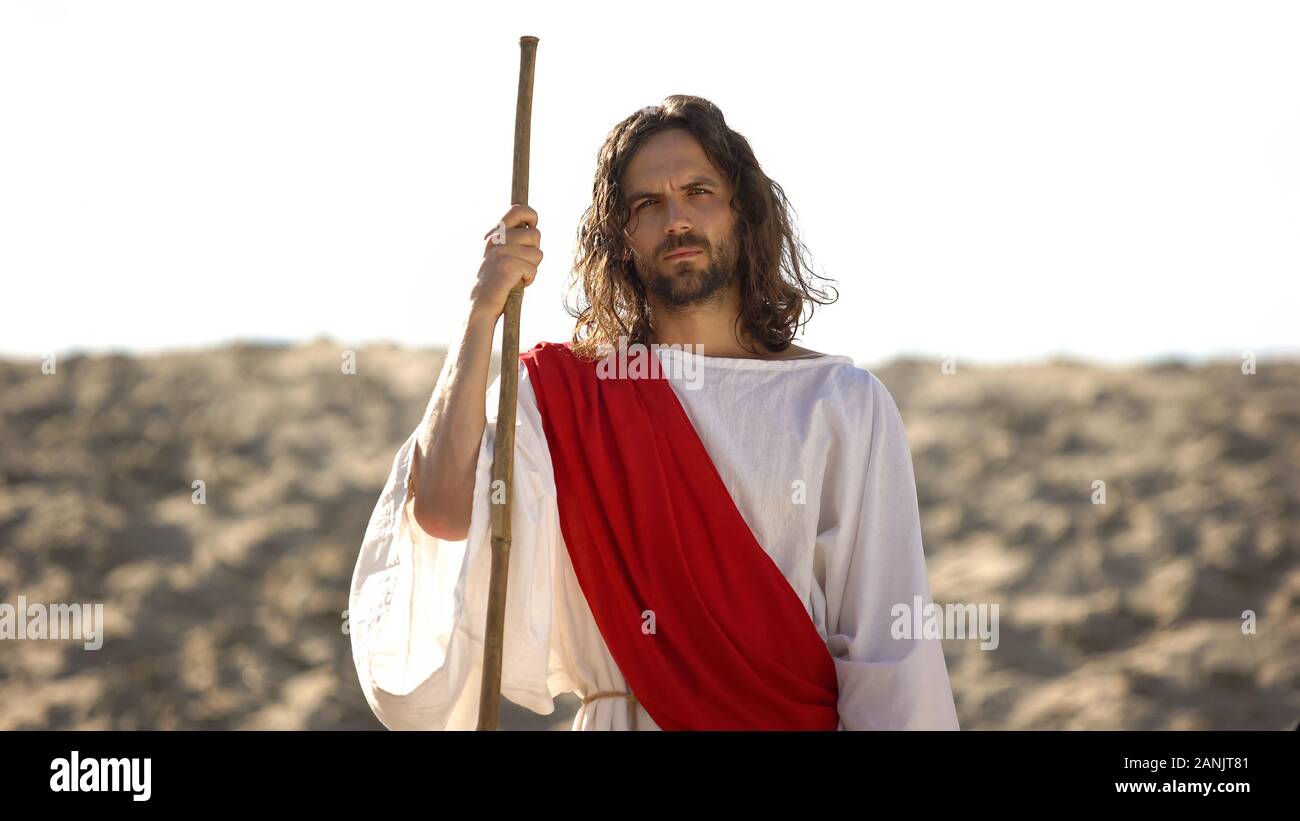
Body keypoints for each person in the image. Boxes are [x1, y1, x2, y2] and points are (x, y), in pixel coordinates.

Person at [348, 95, 960, 730]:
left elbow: (890, 655)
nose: (676, 219)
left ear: (744, 212)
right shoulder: (567, 394)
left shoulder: (840, 402)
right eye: (647, 205)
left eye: (699, 191)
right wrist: (481, 312)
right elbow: (443, 511)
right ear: (621, 237)